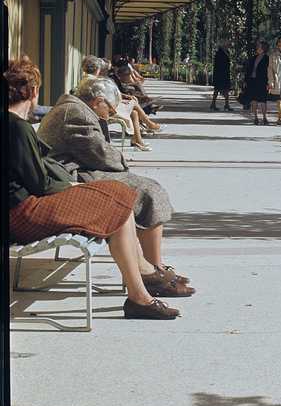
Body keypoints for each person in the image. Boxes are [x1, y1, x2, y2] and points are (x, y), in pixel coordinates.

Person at [5, 58, 180, 319]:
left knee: (120, 197)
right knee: (118, 202)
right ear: (32, 91)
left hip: (21, 208)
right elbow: (39, 184)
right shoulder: (18, 128)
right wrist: (74, 187)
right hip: (23, 213)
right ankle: (141, 292)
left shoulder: (15, 124)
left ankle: (142, 287)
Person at [37, 76, 193, 296]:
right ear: (97, 101)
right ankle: (153, 272)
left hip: (74, 171)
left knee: (146, 188)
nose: (110, 114)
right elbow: (100, 154)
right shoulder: (76, 113)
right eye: (110, 109)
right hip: (69, 177)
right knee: (149, 191)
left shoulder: (75, 108)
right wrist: (122, 162)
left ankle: (153, 268)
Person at [80, 55, 161, 151]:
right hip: (103, 110)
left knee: (134, 112)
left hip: (102, 107)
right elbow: (102, 99)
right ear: (97, 68)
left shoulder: (89, 79)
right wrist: (116, 105)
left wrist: (122, 99)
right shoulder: (93, 81)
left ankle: (137, 139)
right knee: (133, 103)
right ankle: (149, 125)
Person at [244, 39, 270, 125]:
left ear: (263, 48)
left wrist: (269, 82)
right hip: (252, 81)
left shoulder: (267, 59)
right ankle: (256, 117)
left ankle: (264, 118)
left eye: (259, 46)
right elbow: (248, 70)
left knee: (263, 100)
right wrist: (246, 80)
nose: (257, 48)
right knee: (254, 100)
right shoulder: (253, 58)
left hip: (262, 82)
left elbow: (269, 72)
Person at [210, 41, 232, 112]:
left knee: (225, 89)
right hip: (220, 74)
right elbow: (218, 65)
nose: (228, 45)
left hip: (225, 73)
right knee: (217, 89)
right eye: (227, 44)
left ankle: (226, 104)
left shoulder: (227, 52)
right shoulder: (219, 53)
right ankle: (214, 104)